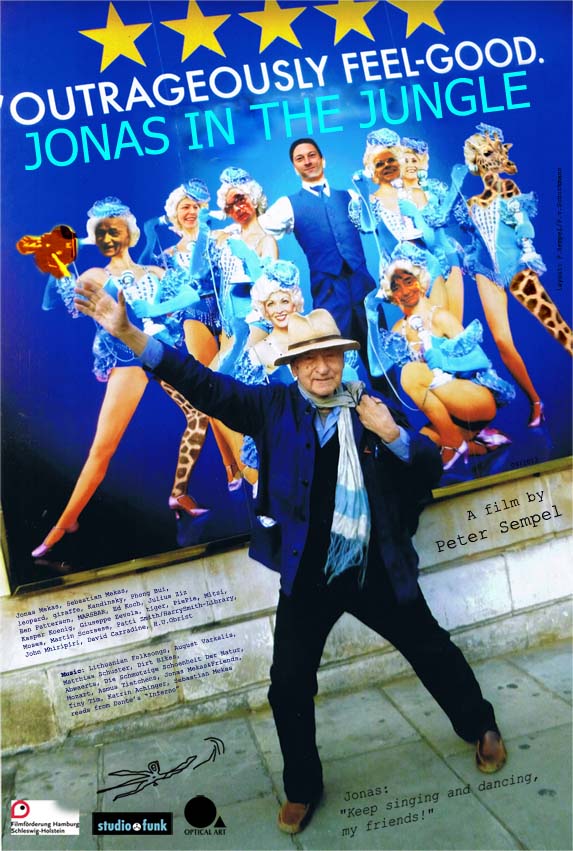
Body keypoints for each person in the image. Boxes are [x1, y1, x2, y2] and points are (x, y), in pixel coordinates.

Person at [75, 279, 508, 835]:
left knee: (431, 648)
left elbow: (427, 468)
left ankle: (480, 726)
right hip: (308, 572)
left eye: (331, 356)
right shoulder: (270, 406)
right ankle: (303, 787)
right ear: (294, 365)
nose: (322, 368)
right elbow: (202, 383)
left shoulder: (371, 406)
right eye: (309, 359)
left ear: (342, 360)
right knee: (288, 684)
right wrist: (132, 335)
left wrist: (393, 435)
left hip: (376, 564)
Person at [31, 197, 203, 557]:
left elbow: (190, 294)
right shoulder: (96, 275)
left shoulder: (154, 272)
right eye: (101, 233)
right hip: (129, 360)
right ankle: (64, 522)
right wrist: (65, 254)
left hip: (162, 353)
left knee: (201, 414)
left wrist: (154, 308)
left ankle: (178, 493)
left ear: (129, 233)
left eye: (115, 230)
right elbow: (64, 303)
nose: (108, 238)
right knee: (103, 448)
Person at [456, 123, 573, 426]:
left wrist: (529, 250)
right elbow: (475, 243)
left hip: (516, 266)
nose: (486, 160)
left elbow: (521, 221)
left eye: (490, 153)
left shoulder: (508, 188)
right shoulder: (471, 203)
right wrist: (464, 253)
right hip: (485, 272)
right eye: (480, 155)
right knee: (502, 341)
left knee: (554, 324)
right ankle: (535, 402)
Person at [258, 137, 385, 391]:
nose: (307, 161)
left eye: (312, 155)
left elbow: (373, 225)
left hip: (364, 289)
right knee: (334, 365)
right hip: (328, 295)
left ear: (322, 160)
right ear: (295, 167)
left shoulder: (350, 196)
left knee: (382, 360)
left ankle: (393, 413)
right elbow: (257, 230)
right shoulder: (288, 205)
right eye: (300, 158)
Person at [368, 253, 514, 471]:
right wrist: (371, 315)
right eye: (396, 287)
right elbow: (376, 368)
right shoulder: (399, 329)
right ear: (391, 295)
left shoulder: (440, 317)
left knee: (410, 373)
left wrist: (444, 360)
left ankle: (454, 443)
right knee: (424, 446)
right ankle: (481, 443)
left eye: (408, 281)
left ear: (421, 282)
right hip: (449, 414)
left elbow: (481, 361)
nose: (405, 291)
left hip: (476, 400)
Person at [350, 128, 448, 311]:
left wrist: (416, 215)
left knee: (440, 320)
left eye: (391, 160)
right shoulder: (370, 201)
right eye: (380, 164)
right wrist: (363, 191)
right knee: (417, 325)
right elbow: (367, 226)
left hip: (430, 269)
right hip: (401, 281)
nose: (386, 166)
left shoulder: (416, 194)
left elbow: (431, 241)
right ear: (372, 171)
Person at [213, 166, 278, 372]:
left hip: (254, 320)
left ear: (254, 198)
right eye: (230, 205)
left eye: (240, 199)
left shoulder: (267, 241)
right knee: (225, 381)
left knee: (218, 373)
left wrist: (246, 254)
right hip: (227, 324)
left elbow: (269, 290)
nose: (237, 208)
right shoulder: (226, 238)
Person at [396, 136, 467, 322]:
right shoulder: (392, 196)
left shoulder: (434, 191)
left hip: (447, 258)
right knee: (427, 325)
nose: (410, 165)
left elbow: (444, 224)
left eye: (414, 160)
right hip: (417, 266)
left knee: (454, 323)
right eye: (405, 160)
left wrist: (455, 187)